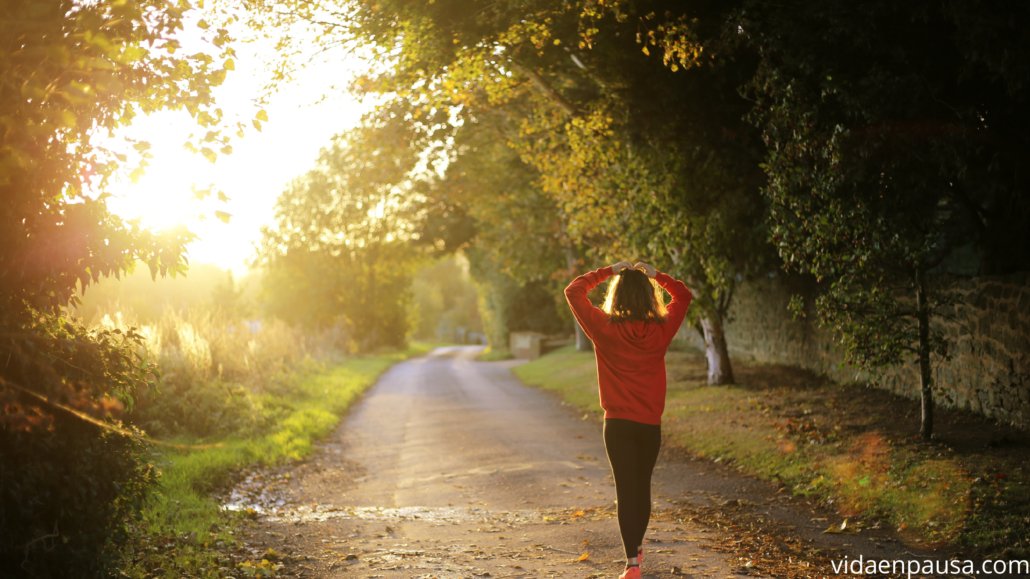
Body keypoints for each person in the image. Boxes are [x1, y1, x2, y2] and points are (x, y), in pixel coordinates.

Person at [564, 260, 692, 579]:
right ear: (649, 297)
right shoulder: (661, 329)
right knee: (641, 487)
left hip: (618, 424)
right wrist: (656, 275)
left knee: (626, 490)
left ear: (616, 296)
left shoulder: (604, 328)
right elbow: (684, 296)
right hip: (649, 425)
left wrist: (608, 270)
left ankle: (632, 563)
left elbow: (574, 290)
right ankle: (636, 548)